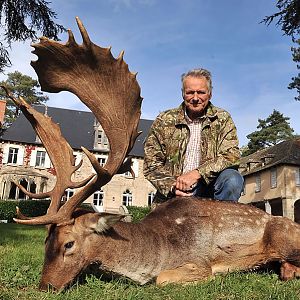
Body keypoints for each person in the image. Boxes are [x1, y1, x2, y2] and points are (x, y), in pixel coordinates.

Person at [143, 68, 244, 204]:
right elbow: (151, 165)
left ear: (210, 94)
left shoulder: (222, 119)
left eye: (201, 92)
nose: (195, 98)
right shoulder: (164, 120)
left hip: (211, 188)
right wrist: (172, 186)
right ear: (183, 94)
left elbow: (231, 155)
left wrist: (197, 174)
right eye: (190, 92)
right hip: (177, 192)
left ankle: (223, 219)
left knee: (233, 179)